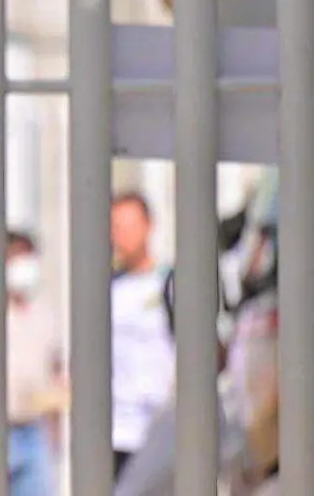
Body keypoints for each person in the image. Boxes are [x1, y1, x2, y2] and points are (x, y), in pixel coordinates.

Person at [109, 191, 176, 481]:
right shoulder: (109, 287)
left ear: (149, 226)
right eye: (116, 228)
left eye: (130, 227)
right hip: (117, 431)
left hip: (159, 430)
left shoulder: (168, 283)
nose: (122, 236)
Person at [3, 232, 64, 496]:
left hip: (34, 431)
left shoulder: (45, 314)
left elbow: (55, 371)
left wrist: (55, 434)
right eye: (16, 256)